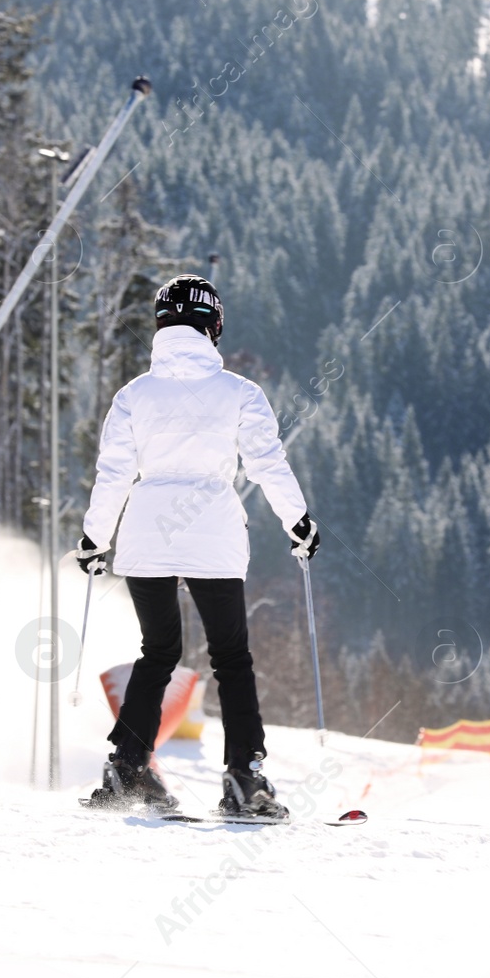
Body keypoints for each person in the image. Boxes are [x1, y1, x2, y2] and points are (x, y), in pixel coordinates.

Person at [77, 274, 319, 818]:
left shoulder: (134, 395)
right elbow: (265, 465)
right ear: (213, 326)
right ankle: (243, 780)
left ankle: (127, 769)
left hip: (145, 533)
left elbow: (113, 473)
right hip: (214, 534)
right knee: (232, 658)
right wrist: (298, 521)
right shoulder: (239, 393)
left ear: (161, 325)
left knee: (158, 652)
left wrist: (95, 538)